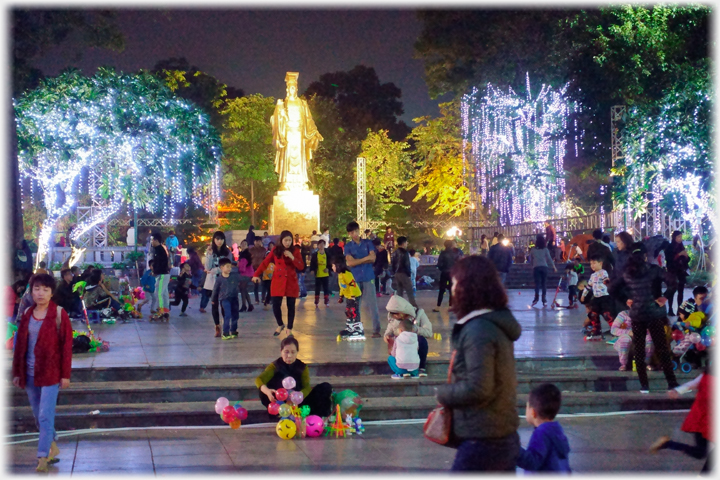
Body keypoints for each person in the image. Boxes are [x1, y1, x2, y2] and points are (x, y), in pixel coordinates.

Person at [435, 255, 522, 471]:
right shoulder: (491, 323)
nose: (452, 289)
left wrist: (443, 393)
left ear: (467, 287)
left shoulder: (479, 330)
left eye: (455, 283)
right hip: (497, 433)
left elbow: (479, 387)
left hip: (483, 439)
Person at [12, 273, 73, 472]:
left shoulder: (59, 314)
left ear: (51, 293)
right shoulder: (28, 313)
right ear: (31, 291)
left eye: (45, 290)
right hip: (29, 374)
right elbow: (20, 344)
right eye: (37, 289)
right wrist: (17, 371)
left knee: (46, 416)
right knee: (39, 417)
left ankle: (42, 456)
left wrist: (65, 375)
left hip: (51, 373)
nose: (40, 293)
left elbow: (66, 347)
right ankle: (52, 445)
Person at [608, 241, 679, 393]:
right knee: (662, 348)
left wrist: (625, 299)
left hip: (637, 314)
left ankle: (644, 385)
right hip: (654, 314)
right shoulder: (654, 270)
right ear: (645, 255)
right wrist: (665, 297)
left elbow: (611, 288)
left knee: (639, 349)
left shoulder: (627, 272)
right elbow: (673, 281)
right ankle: (672, 383)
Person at [649, 367, 712, 473]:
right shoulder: (707, 378)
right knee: (701, 453)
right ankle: (667, 444)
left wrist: (677, 390)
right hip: (703, 421)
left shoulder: (705, 377)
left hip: (702, 420)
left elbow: (691, 384)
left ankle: (667, 444)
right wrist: (677, 391)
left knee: (701, 453)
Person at [256, 336, 333, 418]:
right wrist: (267, 391)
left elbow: (307, 387)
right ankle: (277, 415)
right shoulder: (275, 366)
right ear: (281, 351)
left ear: (297, 352)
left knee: (325, 387)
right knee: (262, 390)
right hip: (280, 403)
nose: (289, 356)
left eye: (293, 352)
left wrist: (298, 397)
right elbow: (259, 379)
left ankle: (319, 419)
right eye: (286, 352)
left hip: (298, 403)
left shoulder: (302, 367)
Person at [252, 230, 305, 338]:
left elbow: (301, 266)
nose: (288, 243)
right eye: (286, 240)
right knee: (276, 304)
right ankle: (280, 324)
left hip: (291, 281)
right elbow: (265, 262)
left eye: (290, 240)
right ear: (281, 240)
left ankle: (289, 328)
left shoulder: (295, 251)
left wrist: (292, 257)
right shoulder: (276, 250)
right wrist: (256, 274)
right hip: (278, 280)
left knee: (291, 306)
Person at [516, 383, 571, 473]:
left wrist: (514, 449)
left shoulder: (542, 433)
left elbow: (532, 462)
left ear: (533, 412)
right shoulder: (557, 431)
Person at [344, 221, 381, 337]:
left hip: (368, 276)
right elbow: (350, 263)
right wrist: (366, 259)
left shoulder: (367, 243)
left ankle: (376, 329)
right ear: (349, 234)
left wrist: (357, 261)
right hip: (355, 278)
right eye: (352, 232)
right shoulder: (348, 246)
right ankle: (357, 328)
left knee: (372, 303)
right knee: (356, 304)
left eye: (356, 231)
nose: (355, 234)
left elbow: (373, 258)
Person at [384, 294, 432, 377]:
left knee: (421, 340)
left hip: (414, 347)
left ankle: (421, 367)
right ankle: (403, 367)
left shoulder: (419, 314)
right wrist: (387, 337)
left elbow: (429, 332)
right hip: (401, 351)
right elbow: (388, 332)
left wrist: (414, 330)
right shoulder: (393, 319)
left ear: (402, 312)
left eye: (396, 314)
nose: (394, 316)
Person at [200, 231, 234, 336]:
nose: (219, 241)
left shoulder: (227, 252)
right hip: (212, 282)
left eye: (221, 239)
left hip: (224, 281)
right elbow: (207, 268)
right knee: (214, 304)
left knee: (224, 304)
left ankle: (226, 326)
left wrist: (217, 270)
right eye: (217, 239)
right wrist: (209, 255)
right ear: (214, 240)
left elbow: (228, 267)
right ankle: (217, 326)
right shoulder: (210, 251)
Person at [610, 300, 654, 369]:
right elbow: (613, 330)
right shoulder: (623, 315)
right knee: (625, 339)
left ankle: (646, 362)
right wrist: (629, 332)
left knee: (649, 338)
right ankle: (623, 364)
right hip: (626, 341)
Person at [581, 254, 615, 338]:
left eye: (594, 263)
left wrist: (608, 284)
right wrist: (583, 295)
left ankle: (615, 329)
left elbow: (606, 280)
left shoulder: (603, 272)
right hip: (596, 298)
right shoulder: (593, 276)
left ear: (600, 263)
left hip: (604, 298)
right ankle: (596, 329)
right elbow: (588, 286)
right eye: (591, 264)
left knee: (607, 314)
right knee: (593, 314)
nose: (592, 265)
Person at [212, 257, 241, 339]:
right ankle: (225, 332)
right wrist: (213, 299)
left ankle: (234, 330)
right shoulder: (219, 279)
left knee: (235, 315)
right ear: (221, 268)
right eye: (227, 266)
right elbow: (215, 290)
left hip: (234, 299)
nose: (229, 268)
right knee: (227, 315)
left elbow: (241, 279)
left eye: (230, 267)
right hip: (225, 299)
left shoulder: (234, 277)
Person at [336, 255, 364, 341]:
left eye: (333, 265)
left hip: (354, 295)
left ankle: (358, 329)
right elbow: (342, 287)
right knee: (348, 311)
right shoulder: (340, 275)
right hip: (348, 296)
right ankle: (350, 327)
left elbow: (352, 285)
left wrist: (353, 296)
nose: (332, 267)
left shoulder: (346, 274)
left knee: (354, 311)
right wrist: (341, 296)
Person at [664, 230, 690, 316]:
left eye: (681, 237)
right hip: (672, 272)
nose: (680, 239)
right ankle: (670, 309)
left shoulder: (681, 246)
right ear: (674, 238)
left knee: (680, 290)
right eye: (678, 237)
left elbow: (686, 260)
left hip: (681, 271)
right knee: (672, 289)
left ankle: (679, 309)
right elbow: (669, 259)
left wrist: (685, 256)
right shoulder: (670, 247)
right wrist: (679, 254)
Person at [529, 234, 557, 307]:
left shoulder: (533, 250)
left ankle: (536, 298)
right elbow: (550, 259)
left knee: (537, 284)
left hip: (536, 268)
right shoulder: (545, 249)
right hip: (544, 267)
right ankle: (544, 300)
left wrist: (532, 265)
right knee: (544, 284)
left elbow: (530, 259)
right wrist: (554, 267)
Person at [391, 236, 418, 309]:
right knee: (409, 291)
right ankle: (414, 306)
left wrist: (394, 272)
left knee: (400, 291)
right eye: (406, 242)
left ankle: (399, 306)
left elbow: (392, 263)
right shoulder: (405, 253)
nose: (407, 244)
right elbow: (407, 264)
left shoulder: (394, 252)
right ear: (403, 243)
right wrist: (409, 275)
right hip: (404, 273)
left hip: (397, 273)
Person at [150, 233, 171, 321]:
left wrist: (155, 271)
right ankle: (166, 311)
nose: (151, 242)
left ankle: (161, 311)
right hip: (163, 274)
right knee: (164, 293)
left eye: (152, 240)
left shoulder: (159, 250)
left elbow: (160, 264)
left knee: (159, 293)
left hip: (162, 274)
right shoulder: (158, 249)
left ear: (156, 240)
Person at [434, 239, 459, 312]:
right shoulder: (455, 253)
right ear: (451, 245)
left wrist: (442, 269)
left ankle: (438, 307)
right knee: (451, 290)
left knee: (442, 290)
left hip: (444, 273)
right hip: (452, 273)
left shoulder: (443, 253)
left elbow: (439, 264)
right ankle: (450, 306)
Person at [309, 239, 331, 308]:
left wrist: (328, 268)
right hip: (318, 274)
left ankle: (326, 301)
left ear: (324, 245)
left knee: (326, 288)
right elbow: (312, 263)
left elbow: (330, 263)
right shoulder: (315, 255)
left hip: (325, 275)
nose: (321, 246)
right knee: (317, 288)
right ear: (318, 246)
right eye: (320, 245)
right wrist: (312, 270)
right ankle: (316, 301)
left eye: (322, 245)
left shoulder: (327, 254)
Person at [249, 238, 267, 305]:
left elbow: (265, 259)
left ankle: (263, 298)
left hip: (262, 268)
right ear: (254, 242)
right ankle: (256, 299)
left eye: (260, 241)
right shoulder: (251, 250)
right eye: (257, 241)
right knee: (255, 284)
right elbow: (249, 259)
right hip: (254, 268)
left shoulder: (263, 250)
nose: (258, 242)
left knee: (263, 284)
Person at [237, 248, 255, 312]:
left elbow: (242, 269)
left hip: (244, 276)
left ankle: (244, 305)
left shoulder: (243, 259)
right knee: (244, 290)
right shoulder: (248, 260)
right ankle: (249, 305)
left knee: (242, 290)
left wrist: (238, 266)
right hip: (249, 275)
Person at [261, 242, 276, 310]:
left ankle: (267, 301)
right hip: (265, 279)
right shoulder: (264, 263)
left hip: (272, 279)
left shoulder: (274, 263)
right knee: (267, 290)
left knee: (270, 291)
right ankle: (266, 301)